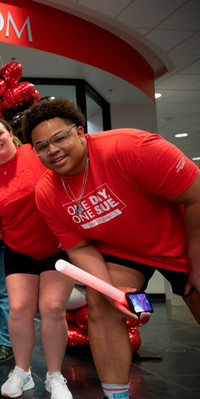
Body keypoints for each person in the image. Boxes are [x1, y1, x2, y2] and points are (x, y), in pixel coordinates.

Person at [23, 97, 200, 399]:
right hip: (125, 250)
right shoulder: (47, 192)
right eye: (41, 146)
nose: (52, 150)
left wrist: (196, 262)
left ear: (80, 132)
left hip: (183, 235)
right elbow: (79, 248)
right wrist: (114, 292)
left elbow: (197, 196)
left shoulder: (132, 148)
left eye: (59, 138)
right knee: (102, 302)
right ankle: (116, 396)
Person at [0, 116, 74, 399]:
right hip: (19, 250)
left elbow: (67, 180)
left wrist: (70, 226)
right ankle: (22, 372)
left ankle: (55, 377)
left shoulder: (36, 153)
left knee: (53, 309)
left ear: (11, 134)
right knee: (18, 311)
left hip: (58, 247)